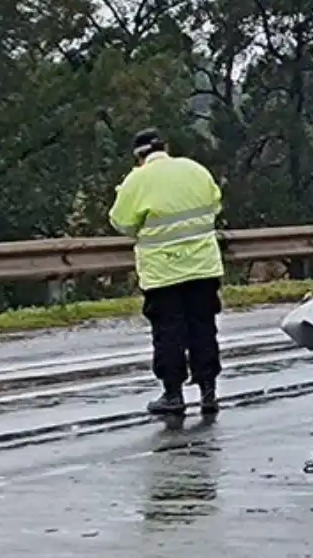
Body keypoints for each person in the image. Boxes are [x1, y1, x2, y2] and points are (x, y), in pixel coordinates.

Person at [108, 129, 225, 415]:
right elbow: (215, 204)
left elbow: (121, 222)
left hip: (163, 272)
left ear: (138, 156)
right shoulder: (195, 170)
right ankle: (208, 391)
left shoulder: (136, 180)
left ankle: (173, 394)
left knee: (169, 332)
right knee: (203, 327)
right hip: (203, 267)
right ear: (166, 147)